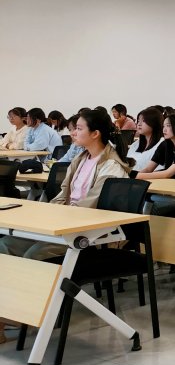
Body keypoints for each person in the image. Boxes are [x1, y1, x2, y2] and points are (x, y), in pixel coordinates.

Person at [0, 109, 130, 261]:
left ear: (95, 134)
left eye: (79, 129)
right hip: (66, 221)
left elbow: (93, 205)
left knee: (34, 255)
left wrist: (60, 217)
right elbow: (64, 194)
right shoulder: (81, 159)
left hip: (86, 230)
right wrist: (49, 214)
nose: (73, 133)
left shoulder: (111, 166)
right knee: (5, 245)